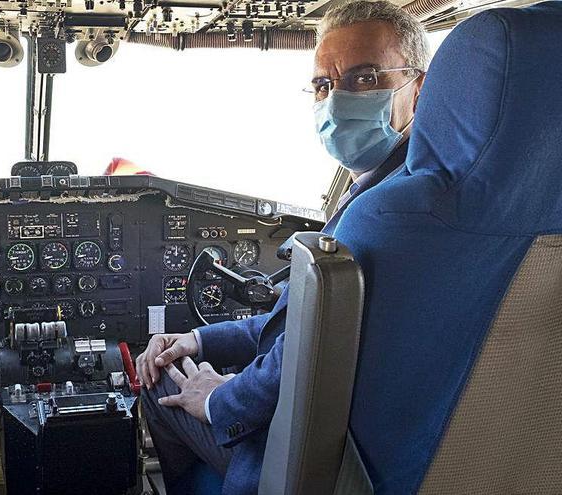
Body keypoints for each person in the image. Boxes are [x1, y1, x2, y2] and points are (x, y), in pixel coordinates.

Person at [136, 1, 430, 493]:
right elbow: (308, 328)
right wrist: (200, 341)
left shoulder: (384, 215)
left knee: (156, 386)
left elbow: (300, 359)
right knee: (184, 363)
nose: (336, 101)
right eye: (323, 84)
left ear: (418, 89)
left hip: (306, 459)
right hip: (351, 429)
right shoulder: (402, 191)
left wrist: (215, 398)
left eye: (364, 78)